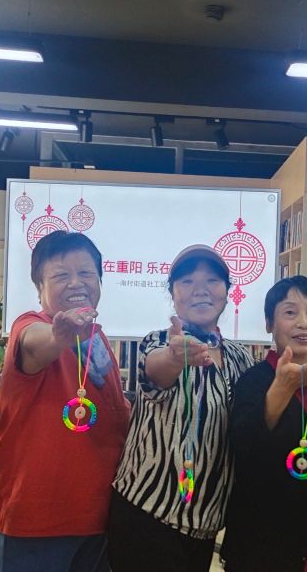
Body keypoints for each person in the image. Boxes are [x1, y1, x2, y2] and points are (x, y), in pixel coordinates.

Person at [0, 231, 130, 571]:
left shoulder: (98, 340)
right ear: (39, 288)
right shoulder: (31, 325)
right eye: (61, 275)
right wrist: (59, 336)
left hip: (94, 518)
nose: (76, 282)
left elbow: (113, 415)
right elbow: (36, 345)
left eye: (86, 273)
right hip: (31, 520)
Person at [107, 245, 254, 572]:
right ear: (173, 294)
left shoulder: (241, 357)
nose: (201, 289)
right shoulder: (157, 342)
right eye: (187, 281)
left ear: (227, 291)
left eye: (212, 280)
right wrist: (175, 358)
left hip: (205, 524)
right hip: (148, 514)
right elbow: (156, 372)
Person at [223, 275, 307, 572]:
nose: (303, 323)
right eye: (290, 312)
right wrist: (283, 388)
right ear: (269, 324)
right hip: (263, 552)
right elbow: (244, 447)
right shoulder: (254, 380)